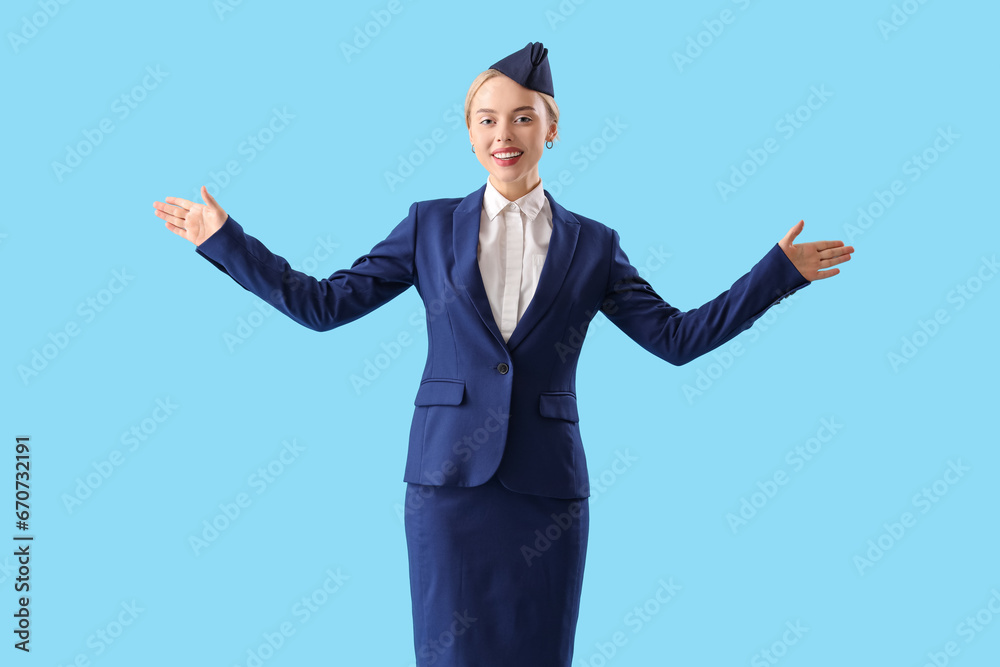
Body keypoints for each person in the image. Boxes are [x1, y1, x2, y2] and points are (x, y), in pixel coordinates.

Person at [153, 42, 853, 667]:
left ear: (551, 127)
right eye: (486, 118)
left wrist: (777, 274)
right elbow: (325, 305)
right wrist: (224, 239)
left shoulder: (595, 244)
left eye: (521, 117)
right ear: (468, 132)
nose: (503, 134)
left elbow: (675, 338)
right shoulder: (428, 225)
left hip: (546, 495)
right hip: (447, 488)